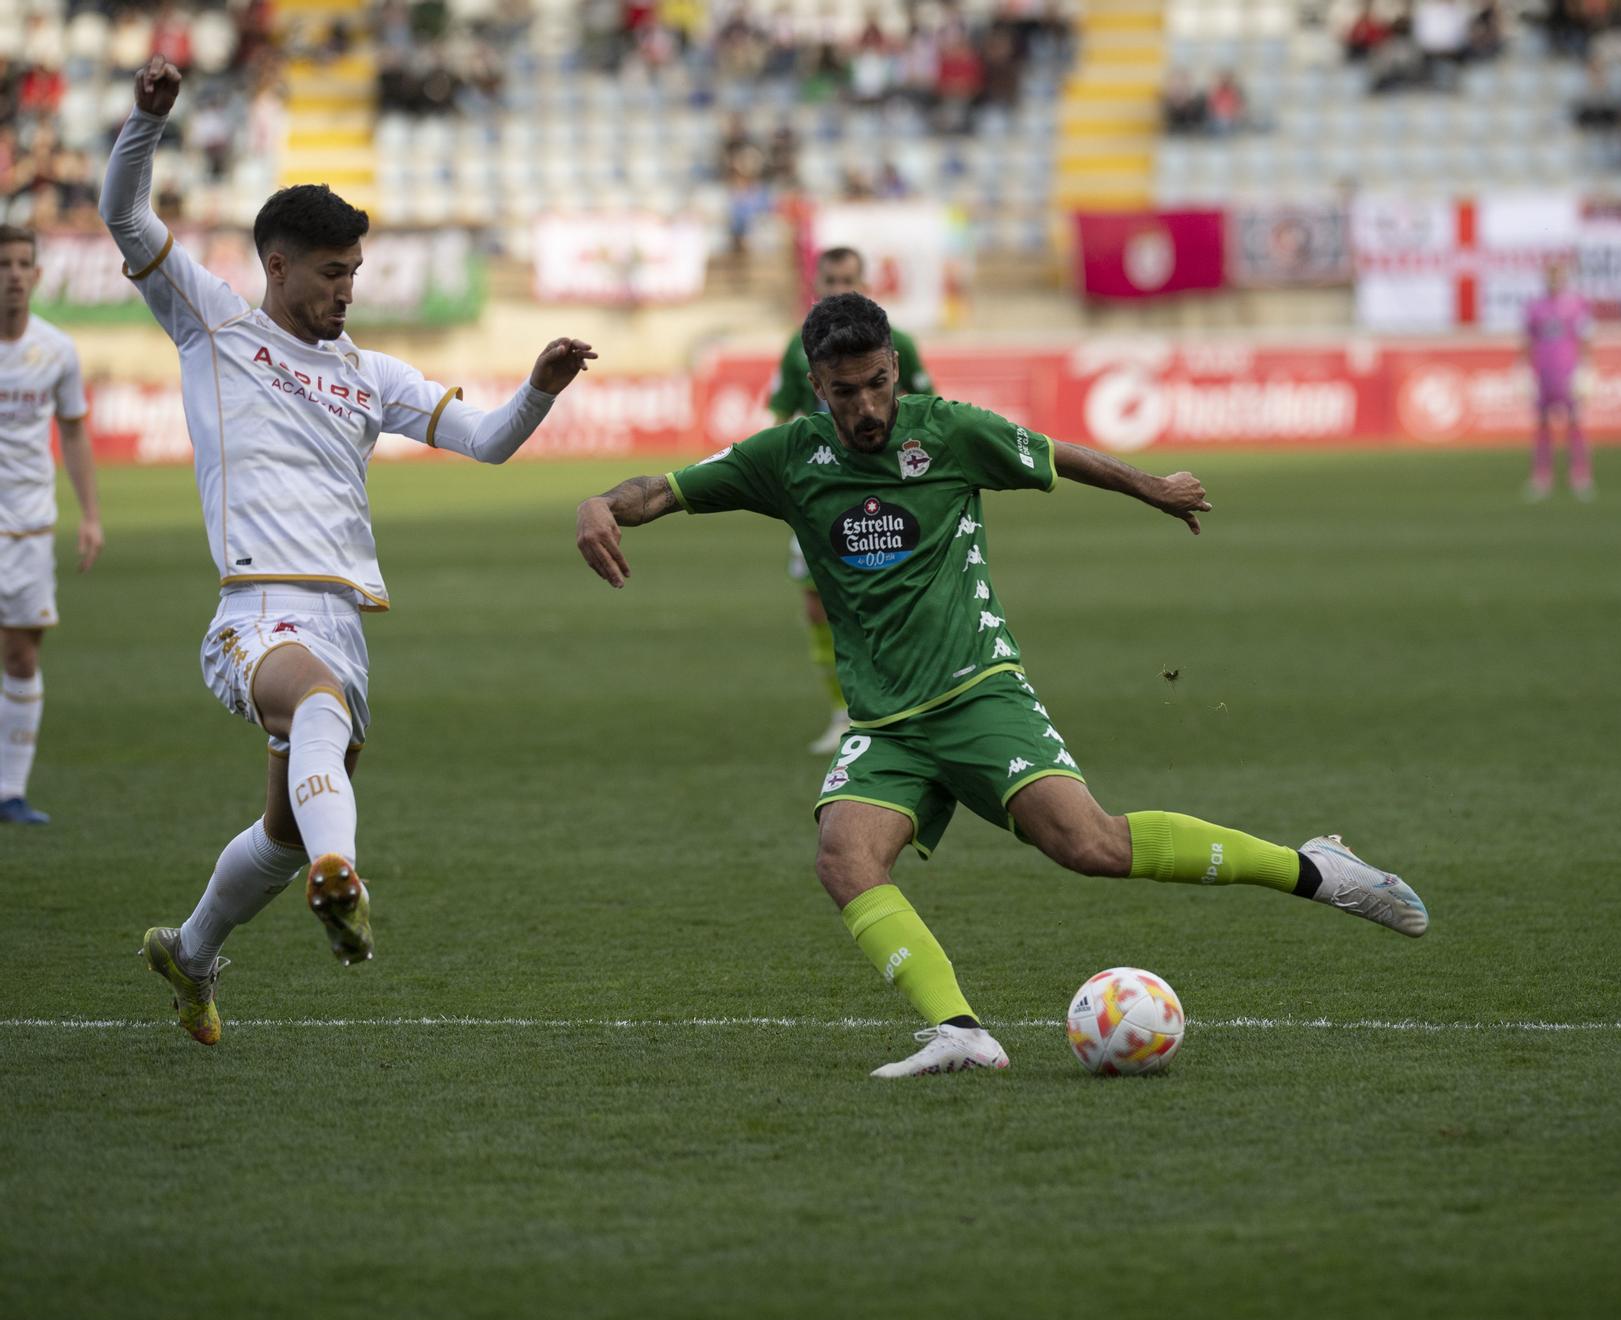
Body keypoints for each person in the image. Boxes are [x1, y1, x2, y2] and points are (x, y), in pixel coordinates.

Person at [575, 293, 1428, 1080]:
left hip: (977, 690)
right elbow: (665, 488)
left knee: (1092, 847)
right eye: (845, 393)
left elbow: (1056, 455)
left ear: (895, 371)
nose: (866, 408)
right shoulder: (787, 456)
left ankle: (1317, 868)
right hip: (887, 722)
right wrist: (602, 503)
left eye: (877, 385)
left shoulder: (946, 432)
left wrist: (1154, 488)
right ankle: (959, 1030)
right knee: (844, 858)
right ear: (817, 387)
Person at [106, 57, 595, 1045]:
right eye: (331, 273)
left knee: (284, 831)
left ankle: (191, 952)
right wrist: (146, 120)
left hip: (342, 621)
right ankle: (346, 878)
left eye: (355, 273)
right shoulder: (216, 326)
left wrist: (540, 386)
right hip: (257, 610)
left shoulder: (369, 374)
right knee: (317, 712)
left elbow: (489, 440)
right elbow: (125, 214)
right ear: (276, 265)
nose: (346, 291)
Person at [768, 246, 933, 754]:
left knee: (896, 598)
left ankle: (915, 705)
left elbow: (926, 411)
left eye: (849, 280)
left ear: (863, 285)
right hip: (822, 495)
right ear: (816, 284)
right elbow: (782, 420)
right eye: (831, 280)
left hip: (885, 490)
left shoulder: (896, 341)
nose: (839, 289)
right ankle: (845, 715)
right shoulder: (797, 350)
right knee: (820, 607)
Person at [0, 224, 103, 826]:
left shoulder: (57, 350)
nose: (13, 275)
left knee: (20, 658)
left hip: (29, 528)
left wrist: (90, 515)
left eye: (22, 264)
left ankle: (10, 792)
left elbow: (72, 431)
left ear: (37, 276)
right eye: (3, 264)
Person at [1523, 262, 1593, 500]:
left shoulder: (1576, 305)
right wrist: (1523, 369)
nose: (1553, 281)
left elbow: (1585, 338)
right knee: (1542, 425)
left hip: (1568, 371)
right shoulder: (1535, 307)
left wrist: (1586, 368)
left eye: (1557, 276)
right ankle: (1542, 476)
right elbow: (1526, 340)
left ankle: (1580, 475)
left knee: (1575, 423)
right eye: (1550, 276)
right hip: (1544, 372)